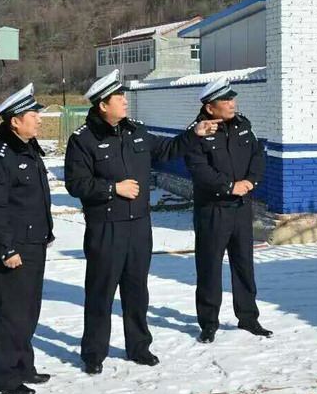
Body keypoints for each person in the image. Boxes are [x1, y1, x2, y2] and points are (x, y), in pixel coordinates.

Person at [64, 69, 220, 374]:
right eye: (119, 98)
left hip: (139, 226)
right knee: (100, 293)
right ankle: (94, 353)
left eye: (124, 96)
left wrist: (195, 133)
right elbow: (76, 183)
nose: (125, 101)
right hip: (106, 227)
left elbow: (167, 150)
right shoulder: (83, 140)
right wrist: (114, 188)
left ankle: (138, 347)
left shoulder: (136, 131)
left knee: (137, 290)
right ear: (103, 105)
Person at [0, 83, 54, 394]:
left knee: (29, 310)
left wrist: (46, 232)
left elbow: (35, 199)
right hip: (14, 249)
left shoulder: (28, 149)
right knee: (11, 313)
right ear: (15, 121)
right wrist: (5, 247)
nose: (39, 120)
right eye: (33, 115)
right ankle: (5, 377)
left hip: (33, 243)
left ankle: (23, 366)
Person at [184, 77, 272, 343]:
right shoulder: (197, 133)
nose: (232, 104)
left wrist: (250, 182)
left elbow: (258, 157)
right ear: (210, 107)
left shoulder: (243, 126)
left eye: (232, 99)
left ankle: (248, 318)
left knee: (244, 264)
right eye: (226, 100)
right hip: (213, 210)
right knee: (209, 268)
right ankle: (208, 323)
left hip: (241, 208)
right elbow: (200, 171)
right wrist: (230, 186)